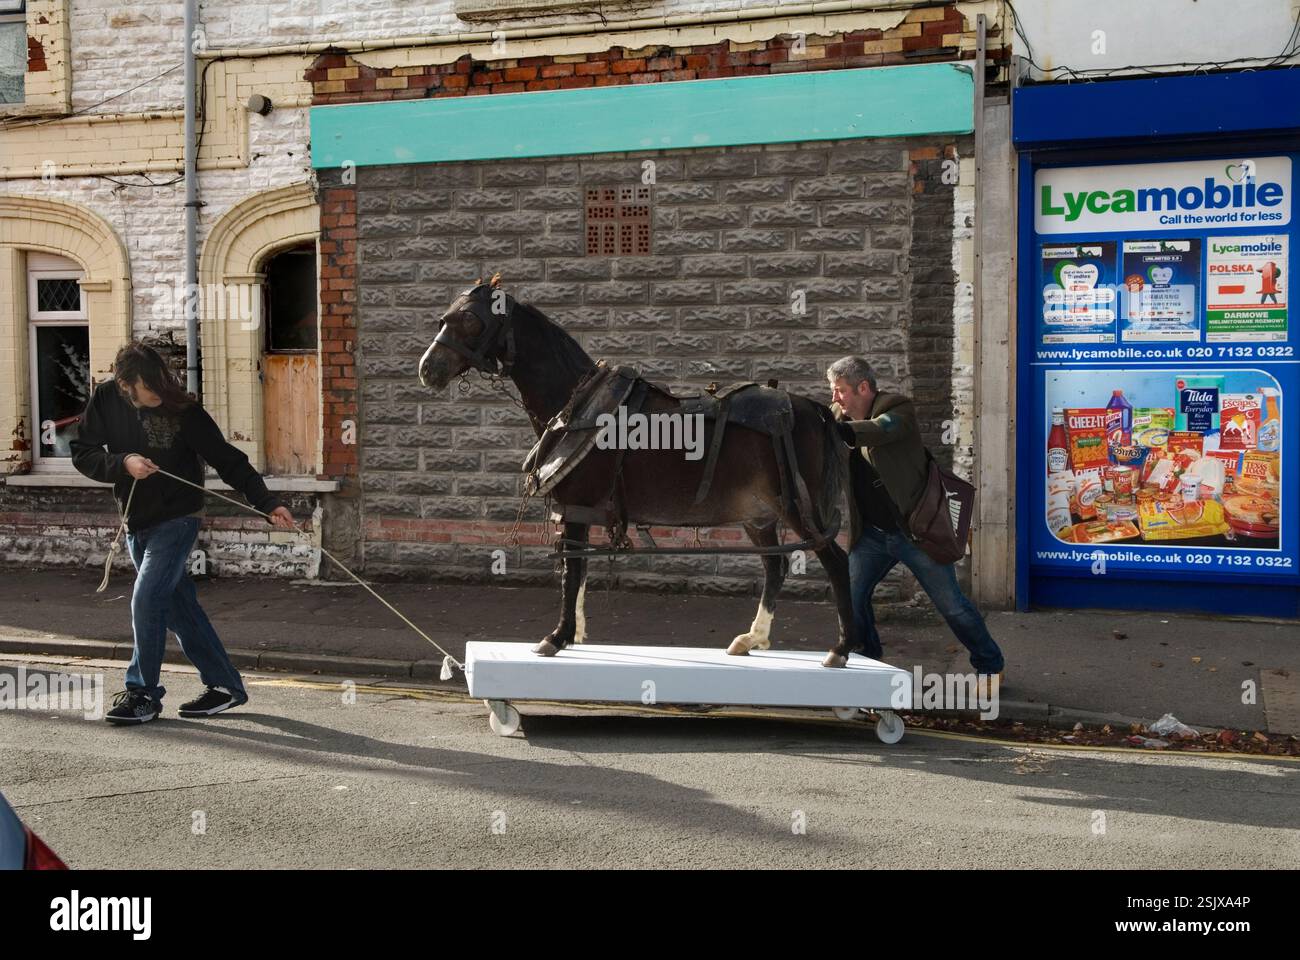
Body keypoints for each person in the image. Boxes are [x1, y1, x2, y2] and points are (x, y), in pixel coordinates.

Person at [71, 341, 295, 725]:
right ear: (125, 385)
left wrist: (267, 503)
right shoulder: (107, 398)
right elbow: (82, 452)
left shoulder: (183, 409)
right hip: (135, 520)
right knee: (177, 609)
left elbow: (228, 459)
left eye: (158, 387)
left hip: (178, 519)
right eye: (147, 391)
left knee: (146, 598)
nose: (156, 396)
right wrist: (122, 462)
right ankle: (225, 686)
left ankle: (143, 694)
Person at [827, 356, 1005, 684]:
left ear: (863, 388)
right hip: (872, 535)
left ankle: (990, 665)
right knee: (850, 597)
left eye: (840, 391)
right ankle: (870, 656)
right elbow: (821, 431)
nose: (835, 398)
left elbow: (880, 431)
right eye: (833, 392)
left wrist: (841, 430)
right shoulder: (838, 416)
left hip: (914, 533)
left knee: (952, 606)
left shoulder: (898, 410)